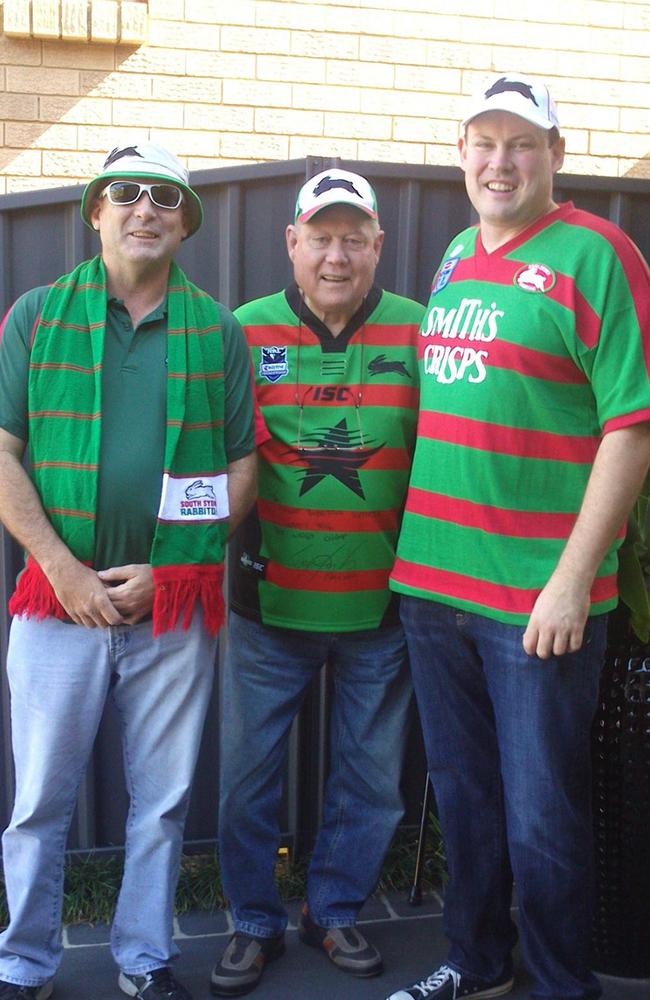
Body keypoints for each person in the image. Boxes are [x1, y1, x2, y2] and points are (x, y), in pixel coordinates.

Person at [386, 73, 650, 1000]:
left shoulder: (599, 254)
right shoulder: (457, 252)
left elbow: (632, 426)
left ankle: (556, 984)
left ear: (556, 156)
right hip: (434, 585)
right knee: (465, 797)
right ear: (463, 155)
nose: (501, 162)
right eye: (485, 143)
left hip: (536, 600)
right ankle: (478, 962)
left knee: (543, 819)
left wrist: (575, 580)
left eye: (522, 144)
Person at [0, 142, 256, 1000]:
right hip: (53, 606)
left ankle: (143, 961)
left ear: (185, 220)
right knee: (37, 804)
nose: (145, 208)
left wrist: (176, 565)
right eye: (125, 193)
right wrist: (61, 567)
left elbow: (242, 465)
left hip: (172, 609)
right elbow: (2, 453)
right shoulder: (37, 315)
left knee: (164, 804)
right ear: (97, 211)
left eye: (164, 196)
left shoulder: (216, 332)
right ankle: (24, 966)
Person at [210, 168, 425, 996]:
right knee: (245, 781)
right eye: (320, 238)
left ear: (377, 245)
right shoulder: (242, 330)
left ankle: (333, 911)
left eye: (353, 239)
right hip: (267, 606)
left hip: (383, 606)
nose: (336, 255)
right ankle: (252, 922)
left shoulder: (420, 330)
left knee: (372, 781)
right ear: (291, 244)